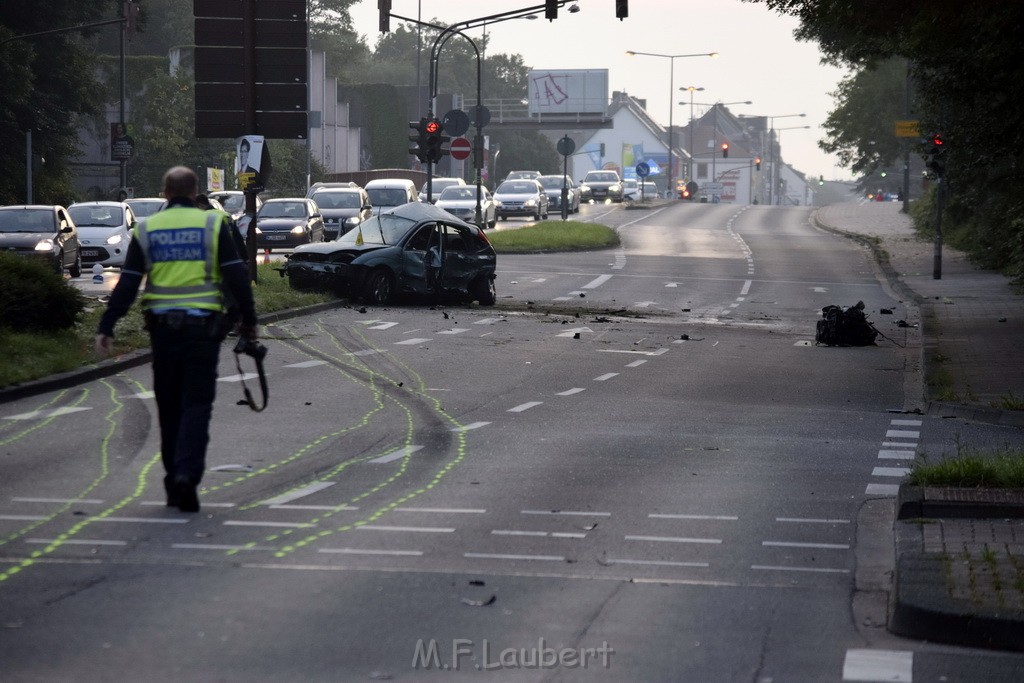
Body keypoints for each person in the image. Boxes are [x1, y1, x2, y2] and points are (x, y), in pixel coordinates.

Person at [95, 166, 258, 513]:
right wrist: (249, 321)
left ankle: (173, 482)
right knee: (197, 405)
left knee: (169, 408)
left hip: (163, 332)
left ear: (165, 193)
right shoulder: (213, 225)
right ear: (195, 191)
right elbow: (237, 275)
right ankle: (187, 475)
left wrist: (107, 325)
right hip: (203, 331)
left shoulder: (147, 228)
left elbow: (127, 283)